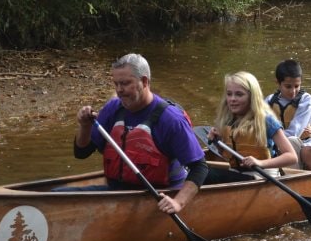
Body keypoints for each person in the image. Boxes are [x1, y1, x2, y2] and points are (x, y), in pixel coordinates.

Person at [69, 53, 207, 215]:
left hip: (158, 196)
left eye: (126, 83)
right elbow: (81, 153)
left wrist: (177, 203)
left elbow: (199, 168)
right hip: (117, 191)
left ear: (145, 81)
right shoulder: (113, 109)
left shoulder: (171, 119)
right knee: (58, 193)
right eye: (116, 84)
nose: (120, 90)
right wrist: (84, 126)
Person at [204, 71, 298, 184]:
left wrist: (260, 163)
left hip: (261, 175)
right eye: (229, 94)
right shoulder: (228, 120)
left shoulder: (266, 120)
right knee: (202, 172)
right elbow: (229, 154)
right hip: (236, 173)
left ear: (252, 97)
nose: (232, 99)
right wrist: (217, 142)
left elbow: (292, 157)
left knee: (206, 174)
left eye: (239, 94)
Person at [264, 59, 311, 168]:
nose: (293, 91)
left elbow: (295, 132)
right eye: (288, 86)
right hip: (276, 146)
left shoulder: (306, 100)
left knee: (291, 140)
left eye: (297, 86)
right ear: (278, 83)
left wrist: (275, 143)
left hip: (302, 146)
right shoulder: (269, 100)